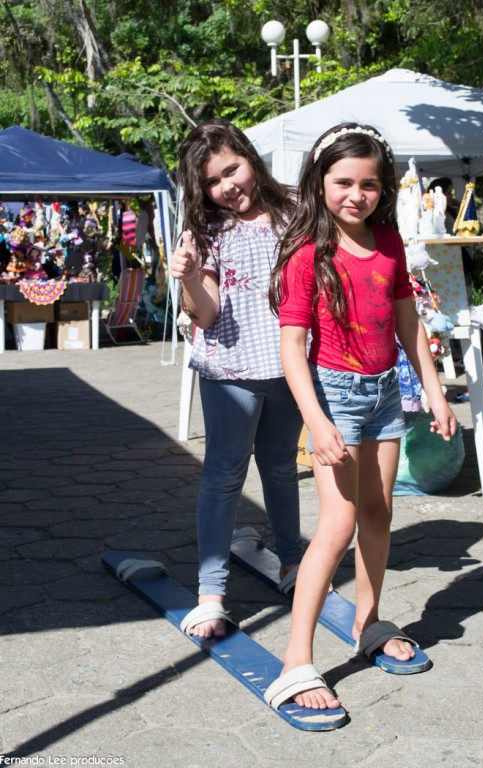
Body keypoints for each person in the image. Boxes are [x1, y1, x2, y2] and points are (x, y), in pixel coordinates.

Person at [266, 123, 457, 711]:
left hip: (383, 395)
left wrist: (436, 393)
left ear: (383, 189)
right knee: (338, 523)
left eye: (369, 185)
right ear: (319, 182)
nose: (356, 194)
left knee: (378, 512)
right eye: (343, 182)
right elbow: (291, 347)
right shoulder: (308, 253)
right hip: (334, 396)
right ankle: (295, 661)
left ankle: (368, 623)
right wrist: (317, 420)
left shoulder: (390, 242)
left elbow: (408, 325)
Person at [170, 118, 303, 639]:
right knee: (225, 475)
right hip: (231, 371)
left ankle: (292, 564)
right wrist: (187, 276)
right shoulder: (205, 230)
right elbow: (205, 314)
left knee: (281, 468)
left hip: (292, 366)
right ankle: (211, 594)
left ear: (250, 157)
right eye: (212, 181)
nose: (227, 186)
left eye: (232, 170)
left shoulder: (298, 208)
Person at [428, 176, 473, 301]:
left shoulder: (449, 211)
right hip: (450, 259)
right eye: (448, 193)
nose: (450, 197)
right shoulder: (437, 213)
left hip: (457, 256)